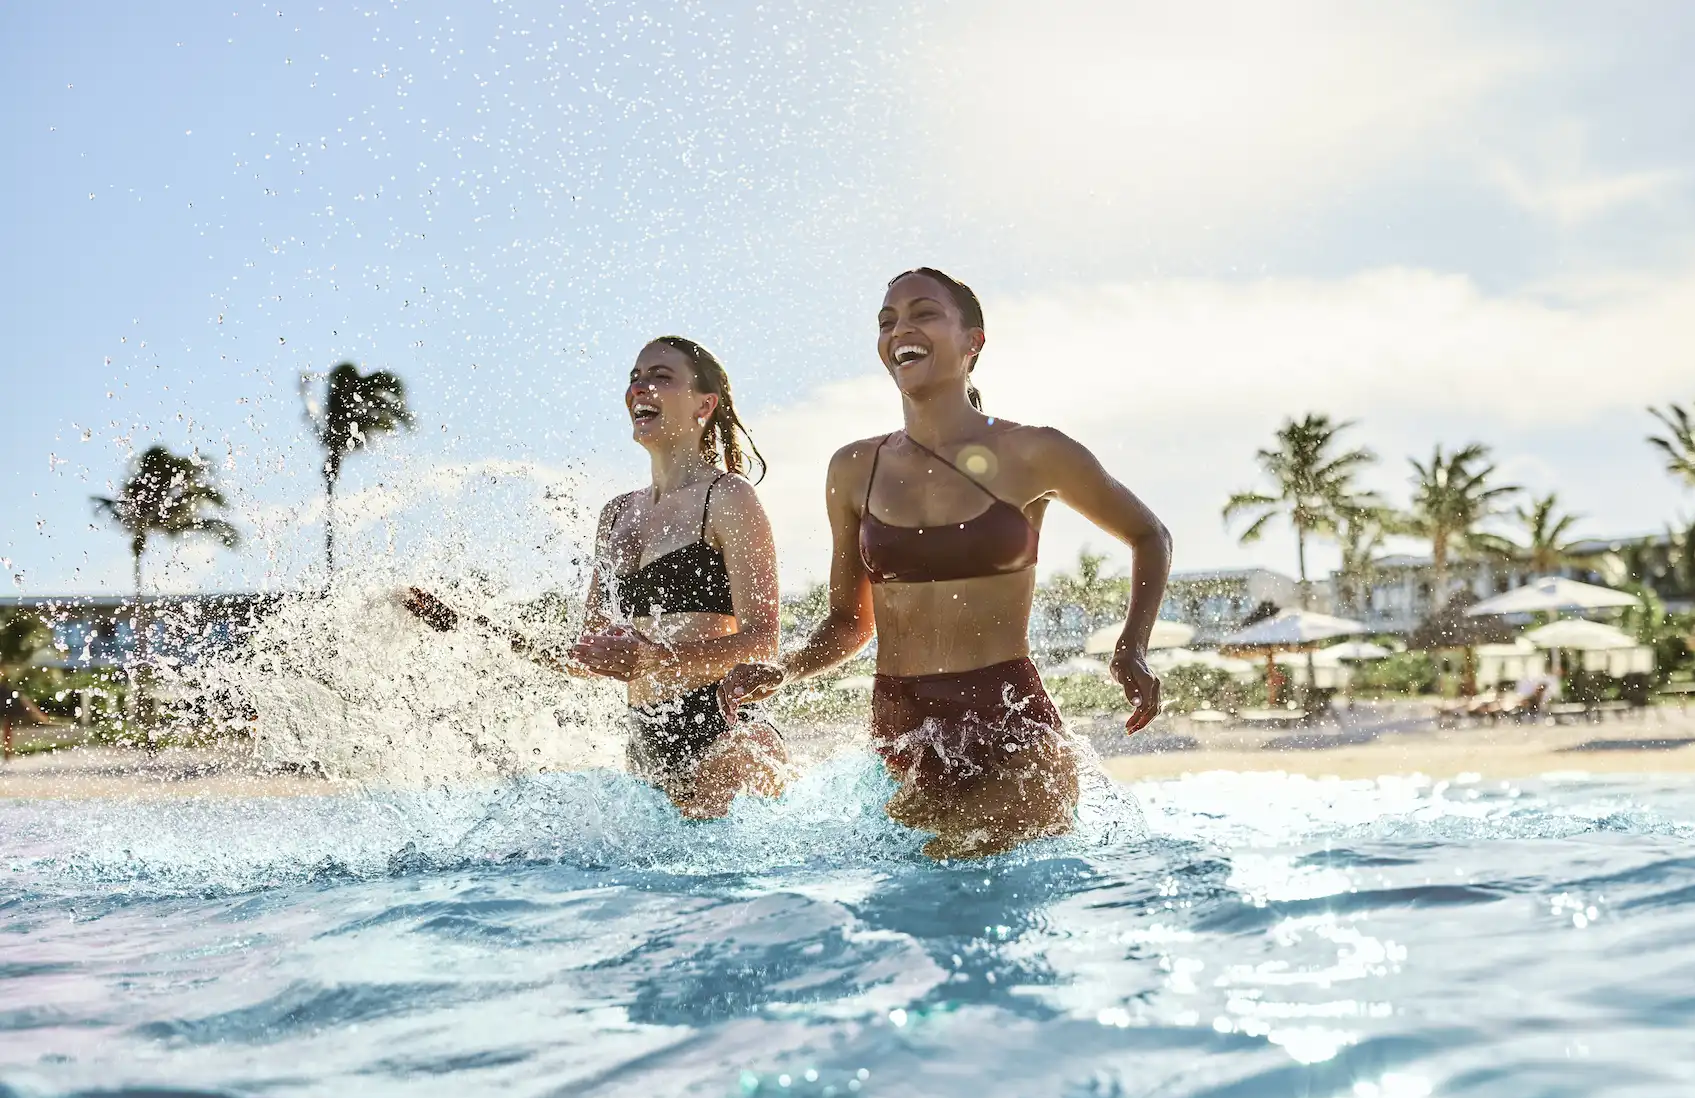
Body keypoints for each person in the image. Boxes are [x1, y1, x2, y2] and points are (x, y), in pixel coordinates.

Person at [722, 268, 1171, 857]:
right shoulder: (853, 469)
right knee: (916, 910)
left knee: (959, 885)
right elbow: (850, 620)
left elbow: (1149, 534)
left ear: (973, 341)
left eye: (924, 313)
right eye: (887, 321)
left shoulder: (1035, 451)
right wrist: (788, 670)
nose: (900, 329)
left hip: (1009, 720)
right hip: (902, 726)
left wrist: (1131, 647)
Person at [405, 336, 787, 818]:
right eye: (634, 378)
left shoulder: (729, 498)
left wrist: (654, 657)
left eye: (660, 377)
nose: (639, 388)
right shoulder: (615, 516)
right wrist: (471, 625)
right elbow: (585, 656)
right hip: (648, 742)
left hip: (727, 734)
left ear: (703, 404)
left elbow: (761, 643)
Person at [0, 672, 52, 764]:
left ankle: (7, 753)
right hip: (6, 700)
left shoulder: (8, 685)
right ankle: (7, 753)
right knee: (7, 728)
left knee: (8, 728)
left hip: (7, 701)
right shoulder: (7, 685)